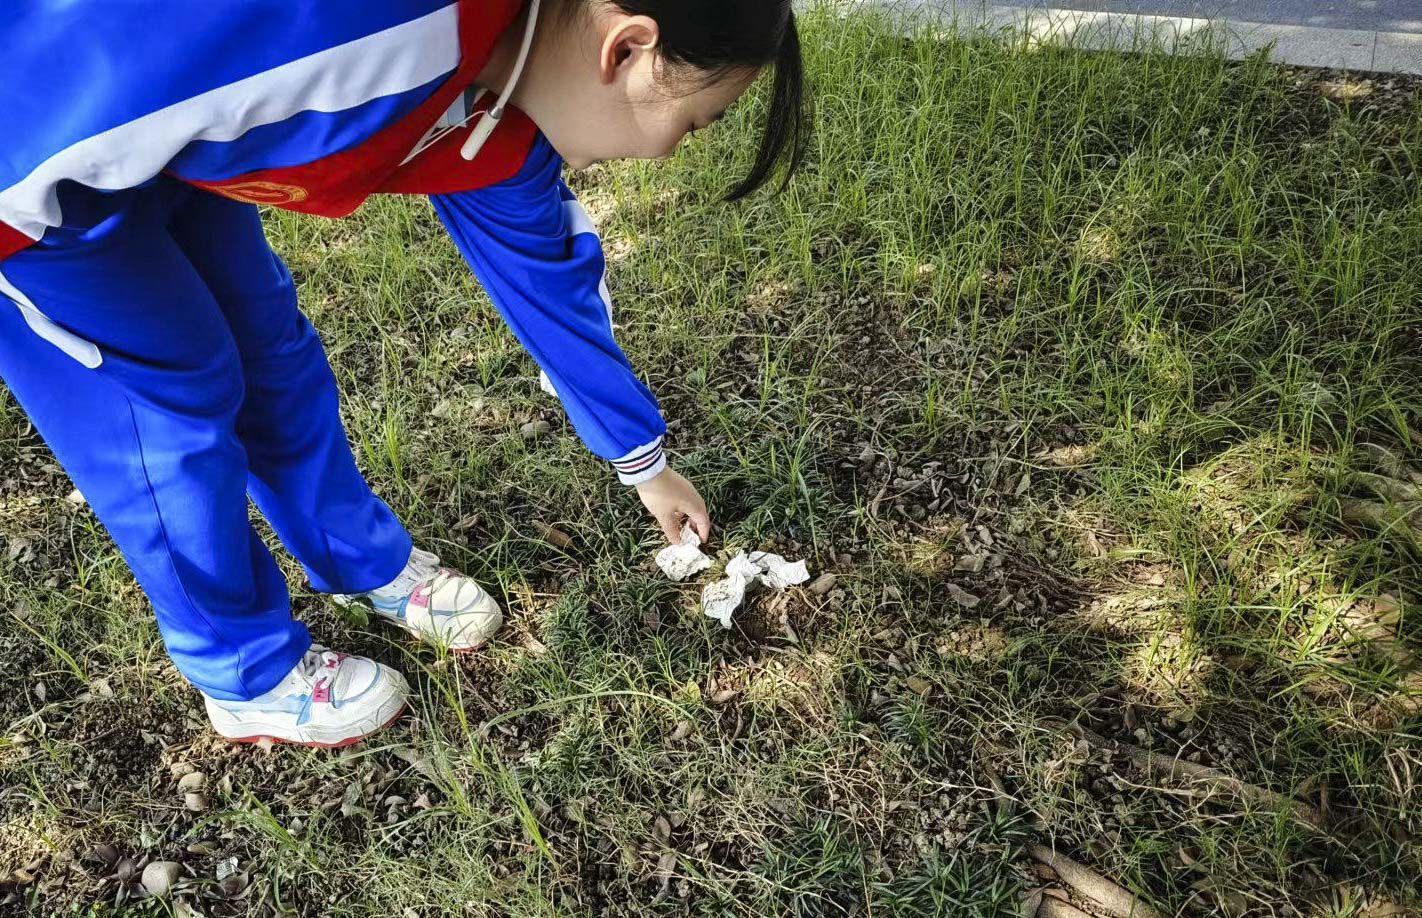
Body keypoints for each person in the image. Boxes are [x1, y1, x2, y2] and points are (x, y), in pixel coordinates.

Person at [0, 0, 806, 747]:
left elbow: (552, 287)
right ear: (627, 47)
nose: (672, 151)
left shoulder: (503, 112)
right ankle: (244, 671)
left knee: (270, 350)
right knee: (167, 399)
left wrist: (646, 467)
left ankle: (356, 558)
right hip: (29, 158)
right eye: (695, 124)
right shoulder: (380, 23)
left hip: (160, 141)